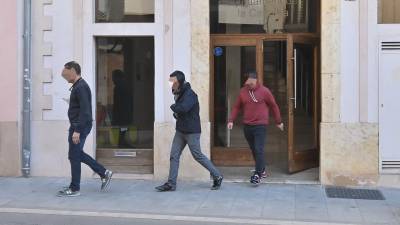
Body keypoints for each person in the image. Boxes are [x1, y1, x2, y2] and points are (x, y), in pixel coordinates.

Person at [155, 71, 223, 191]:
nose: (170, 84)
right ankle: (171, 184)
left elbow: (184, 108)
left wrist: (173, 107)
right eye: (170, 81)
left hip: (192, 131)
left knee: (197, 155)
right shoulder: (178, 93)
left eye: (173, 81)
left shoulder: (190, 94)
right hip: (181, 130)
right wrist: (177, 114)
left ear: (179, 82)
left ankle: (217, 175)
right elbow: (181, 112)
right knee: (174, 155)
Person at [58, 61, 113, 197]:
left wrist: (77, 130)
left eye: (66, 73)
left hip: (79, 126)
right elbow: (81, 108)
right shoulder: (78, 86)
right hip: (78, 125)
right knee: (75, 154)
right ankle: (103, 173)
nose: (65, 78)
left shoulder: (81, 87)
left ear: (72, 70)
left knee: (74, 155)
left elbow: (86, 111)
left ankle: (75, 188)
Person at [227, 71, 284, 185]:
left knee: (258, 149)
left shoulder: (265, 91)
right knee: (254, 150)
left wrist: (278, 121)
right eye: (248, 83)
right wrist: (231, 120)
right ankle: (262, 170)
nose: (250, 85)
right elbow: (236, 107)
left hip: (260, 126)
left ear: (256, 81)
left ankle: (257, 175)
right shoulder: (243, 92)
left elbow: (274, 105)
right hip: (247, 126)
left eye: (252, 83)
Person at [111, 69, 133, 148]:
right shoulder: (125, 85)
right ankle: (122, 142)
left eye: (113, 77)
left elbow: (118, 102)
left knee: (123, 127)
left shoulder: (119, 87)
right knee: (123, 128)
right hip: (125, 111)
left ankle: (121, 142)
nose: (112, 79)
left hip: (122, 112)